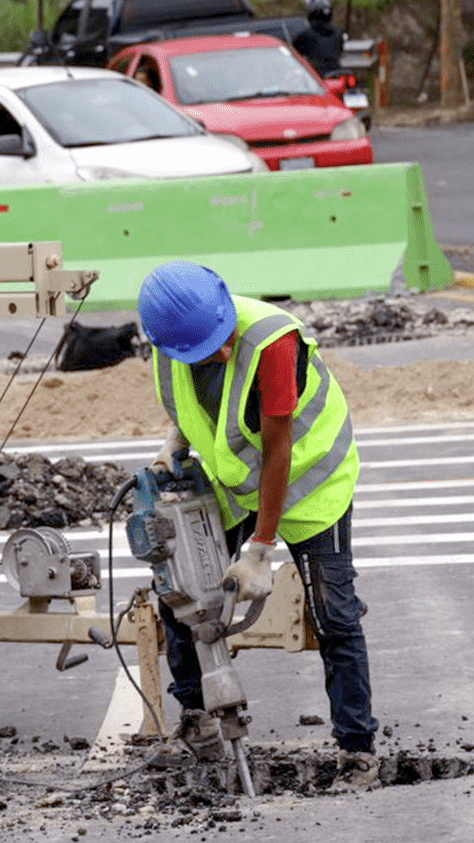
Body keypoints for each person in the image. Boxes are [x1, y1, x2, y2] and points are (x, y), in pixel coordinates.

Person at [137, 260, 378, 786]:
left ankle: (357, 749)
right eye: (206, 350)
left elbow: (278, 450)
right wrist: (174, 443)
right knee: (181, 591)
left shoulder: (272, 343)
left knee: (333, 613)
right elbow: (193, 411)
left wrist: (262, 549)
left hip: (311, 479)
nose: (222, 352)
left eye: (223, 339)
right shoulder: (168, 348)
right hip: (236, 481)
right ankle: (197, 718)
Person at [292, 0, 343, 79]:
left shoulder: (305, 36)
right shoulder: (339, 33)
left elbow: (293, 51)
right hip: (336, 73)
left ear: (311, 15)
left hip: (316, 77)